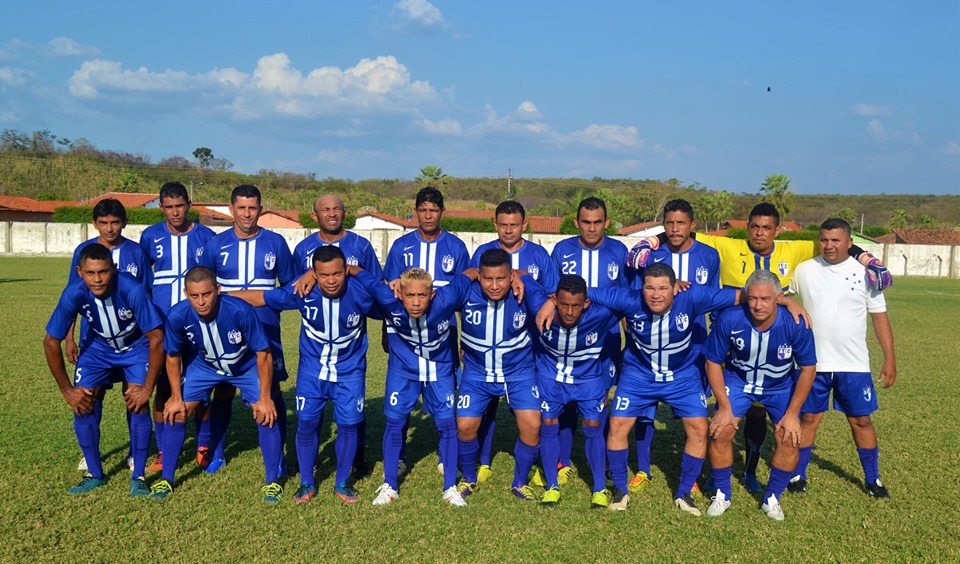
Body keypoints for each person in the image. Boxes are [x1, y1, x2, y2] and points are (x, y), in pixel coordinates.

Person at [629, 201, 892, 493]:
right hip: (732, 340)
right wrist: (649, 241)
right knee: (722, 414)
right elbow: (679, 231)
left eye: (767, 227)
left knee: (762, 412)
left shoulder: (796, 250)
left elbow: (836, 244)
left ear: (778, 230)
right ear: (747, 228)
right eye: (754, 226)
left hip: (773, 340)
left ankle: (752, 472)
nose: (760, 233)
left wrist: (868, 259)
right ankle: (712, 475)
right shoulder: (728, 246)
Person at [566, 264, 761, 514]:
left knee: (699, 429)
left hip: (682, 377)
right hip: (638, 376)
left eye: (663, 288)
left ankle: (684, 493)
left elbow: (744, 295)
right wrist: (551, 303)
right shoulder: (628, 298)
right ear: (641, 288)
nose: (656, 295)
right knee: (617, 425)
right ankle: (620, 490)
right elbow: (581, 292)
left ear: (674, 288)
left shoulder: (692, 296)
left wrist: (786, 302)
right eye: (650, 288)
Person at [231, 246, 384, 505]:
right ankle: (306, 482)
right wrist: (221, 295)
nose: (331, 280)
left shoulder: (361, 293)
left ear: (346, 270)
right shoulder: (303, 291)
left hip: (350, 373)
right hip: (311, 373)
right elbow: (262, 297)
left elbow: (391, 305)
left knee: (348, 426)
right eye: (324, 275)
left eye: (337, 273)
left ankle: (342, 482)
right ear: (314, 273)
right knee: (307, 424)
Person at [147, 267, 282, 502]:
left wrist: (265, 397)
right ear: (186, 294)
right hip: (205, 367)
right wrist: (176, 396)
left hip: (244, 366)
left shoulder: (240, 310)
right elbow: (172, 356)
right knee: (177, 412)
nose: (201, 302)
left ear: (218, 290)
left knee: (264, 412)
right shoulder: (178, 315)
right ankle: (166, 479)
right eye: (194, 296)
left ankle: (272, 481)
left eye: (207, 294)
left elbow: (263, 354)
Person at [788, 218, 896, 498]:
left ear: (849, 242)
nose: (829, 245)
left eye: (836, 240)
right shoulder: (804, 270)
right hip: (811, 363)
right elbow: (778, 297)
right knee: (808, 417)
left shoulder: (866, 274)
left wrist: (889, 358)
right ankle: (798, 474)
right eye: (824, 239)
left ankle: (873, 479)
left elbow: (880, 318)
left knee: (861, 421)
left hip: (853, 364)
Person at [43, 243, 163, 495]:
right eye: (90, 273)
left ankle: (138, 475)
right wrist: (67, 390)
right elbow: (50, 341)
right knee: (83, 402)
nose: (97, 279)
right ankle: (94, 473)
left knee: (138, 402)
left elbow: (156, 338)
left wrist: (147, 388)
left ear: (114, 269)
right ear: (79, 272)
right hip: (97, 349)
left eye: (103, 272)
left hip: (136, 347)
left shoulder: (132, 289)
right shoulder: (73, 293)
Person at [703, 270, 817, 521]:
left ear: (778, 298)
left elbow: (808, 368)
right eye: (753, 298)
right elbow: (712, 361)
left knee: (789, 437)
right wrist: (724, 407)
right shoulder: (730, 318)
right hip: (739, 382)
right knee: (721, 430)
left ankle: (772, 498)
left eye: (765, 299)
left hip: (779, 386)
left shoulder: (795, 322)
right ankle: (722, 494)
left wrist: (792, 414)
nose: (758, 305)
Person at [626, 198, 720, 497]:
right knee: (645, 411)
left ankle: (690, 476)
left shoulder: (709, 255)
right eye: (669, 223)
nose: (675, 229)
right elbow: (635, 294)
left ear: (693, 224)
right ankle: (643, 469)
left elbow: (712, 299)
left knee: (693, 415)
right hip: (649, 348)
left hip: (692, 350)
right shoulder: (650, 254)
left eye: (681, 223)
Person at [198, 185, 295, 474]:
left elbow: (290, 289)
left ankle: (278, 458)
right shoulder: (216, 244)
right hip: (224, 328)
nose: (247, 214)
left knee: (272, 388)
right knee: (223, 388)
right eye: (241, 208)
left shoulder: (276, 243)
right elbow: (203, 285)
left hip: (265, 327)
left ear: (260, 209)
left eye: (252, 208)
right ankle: (217, 453)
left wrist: (261, 299)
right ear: (231, 209)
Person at [355, 266, 472, 507]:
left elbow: (471, 274)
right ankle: (390, 485)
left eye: (422, 295)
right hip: (403, 372)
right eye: (410, 295)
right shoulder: (388, 299)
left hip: (439, 372)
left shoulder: (447, 298)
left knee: (447, 425)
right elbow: (360, 275)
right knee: (394, 424)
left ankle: (450, 487)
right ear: (400, 293)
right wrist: (337, 269)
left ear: (432, 294)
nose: (416, 302)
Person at [292, 194, 384, 479]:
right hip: (317, 342)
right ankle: (311, 460)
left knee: (352, 408)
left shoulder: (361, 245)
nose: (332, 214)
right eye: (325, 209)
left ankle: (357, 456)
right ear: (315, 215)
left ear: (345, 213)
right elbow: (296, 287)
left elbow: (377, 286)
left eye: (337, 209)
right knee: (312, 410)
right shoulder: (303, 248)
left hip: (350, 341)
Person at [468, 201, 559, 484]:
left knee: (531, 411)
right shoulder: (482, 253)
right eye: (503, 225)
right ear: (495, 225)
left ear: (524, 225)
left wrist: (522, 278)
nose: (509, 230)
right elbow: (470, 293)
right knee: (486, 408)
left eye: (514, 225)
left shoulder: (539, 254)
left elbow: (553, 294)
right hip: (487, 348)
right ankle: (483, 460)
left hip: (527, 346)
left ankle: (537, 465)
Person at [383, 187, 469, 475]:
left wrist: (464, 340)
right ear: (416, 212)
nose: (428, 215)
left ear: (442, 212)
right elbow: (390, 293)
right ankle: (399, 457)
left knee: (445, 399)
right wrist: (386, 334)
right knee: (402, 400)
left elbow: (462, 295)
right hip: (405, 339)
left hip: (443, 338)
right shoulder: (401, 246)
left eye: (433, 210)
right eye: (423, 210)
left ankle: (446, 458)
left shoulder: (456, 247)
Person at [67, 198, 153, 473]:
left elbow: (146, 293)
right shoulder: (83, 252)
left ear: (124, 223)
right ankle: (91, 454)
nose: (109, 228)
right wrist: (69, 337)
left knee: (134, 394)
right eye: (103, 223)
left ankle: (134, 452)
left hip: (133, 340)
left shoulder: (136, 252)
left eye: (115, 222)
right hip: (95, 339)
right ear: (95, 224)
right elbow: (72, 296)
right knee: (92, 394)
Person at [455, 248, 548, 502]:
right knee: (464, 425)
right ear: (479, 275)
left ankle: (520, 482)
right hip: (477, 372)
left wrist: (525, 279)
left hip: (518, 372)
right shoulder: (467, 291)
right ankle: (469, 478)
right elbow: (443, 297)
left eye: (501, 279)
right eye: (488, 279)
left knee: (532, 425)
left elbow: (545, 302)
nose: (494, 286)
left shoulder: (523, 290)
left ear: (511, 276)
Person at [138, 182, 217, 472]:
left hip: (198, 324)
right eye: (169, 207)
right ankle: (162, 450)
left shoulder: (206, 237)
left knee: (200, 385)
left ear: (189, 205)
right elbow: (143, 281)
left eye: (180, 206)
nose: (175, 212)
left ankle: (203, 444)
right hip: (161, 326)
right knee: (163, 387)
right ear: (161, 207)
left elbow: (213, 281)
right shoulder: (150, 236)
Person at [549, 197, 627, 484]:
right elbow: (551, 293)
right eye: (586, 222)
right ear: (576, 222)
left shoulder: (619, 250)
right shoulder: (562, 250)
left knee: (600, 396)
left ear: (606, 222)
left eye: (597, 222)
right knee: (567, 397)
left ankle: (601, 460)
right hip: (568, 339)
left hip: (606, 338)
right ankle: (563, 460)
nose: (591, 228)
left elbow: (626, 298)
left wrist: (630, 338)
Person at [532, 275, 620, 509]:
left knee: (593, 426)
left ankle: (599, 488)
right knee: (548, 423)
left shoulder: (601, 314)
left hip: (587, 380)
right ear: (554, 299)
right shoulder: (538, 304)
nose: (569, 312)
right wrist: (548, 303)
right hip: (551, 378)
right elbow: (521, 278)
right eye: (563, 304)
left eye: (576, 305)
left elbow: (630, 298)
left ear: (586, 303)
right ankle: (552, 486)